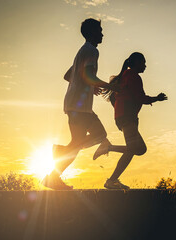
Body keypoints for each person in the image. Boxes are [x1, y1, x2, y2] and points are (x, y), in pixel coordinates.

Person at [42, 18, 118, 190]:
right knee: (85, 140)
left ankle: (60, 154)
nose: (102, 34)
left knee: (96, 135)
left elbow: (69, 75)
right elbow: (88, 76)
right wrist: (111, 86)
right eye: (100, 31)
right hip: (77, 106)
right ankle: (55, 170)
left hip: (77, 104)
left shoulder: (83, 51)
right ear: (92, 33)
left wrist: (90, 88)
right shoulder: (91, 50)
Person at [96, 52, 167, 189]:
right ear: (136, 63)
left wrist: (119, 111)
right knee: (133, 149)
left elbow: (115, 98)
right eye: (143, 62)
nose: (145, 65)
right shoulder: (133, 76)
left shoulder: (125, 76)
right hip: (127, 116)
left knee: (140, 149)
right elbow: (140, 97)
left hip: (125, 116)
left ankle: (108, 148)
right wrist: (156, 98)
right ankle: (111, 180)